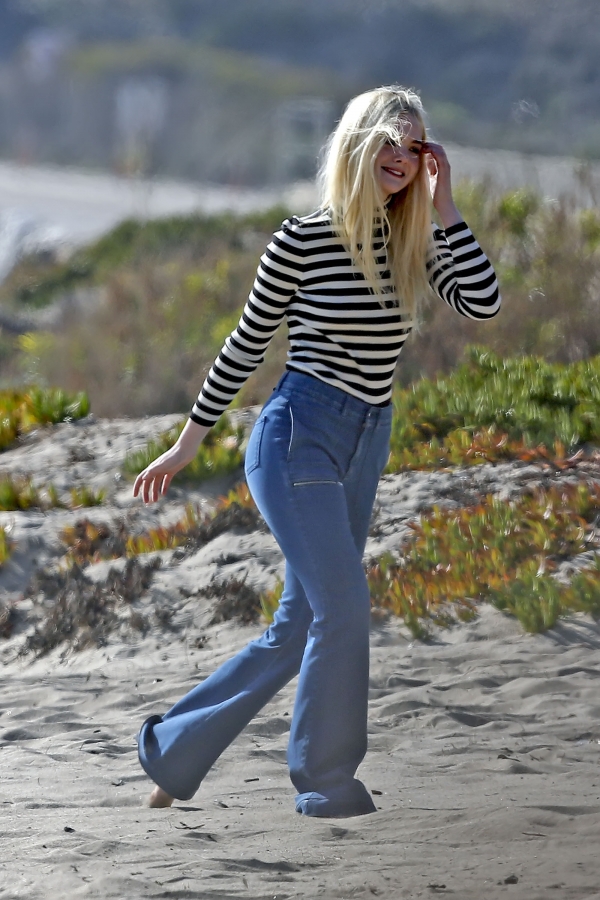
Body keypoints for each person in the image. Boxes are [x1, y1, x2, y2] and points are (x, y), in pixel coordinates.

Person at [134, 85, 501, 818]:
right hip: (298, 435)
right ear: (358, 145)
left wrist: (447, 205)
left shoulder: (412, 245)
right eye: (389, 141)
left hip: (368, 439)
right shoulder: (301, 239)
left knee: (299, 625)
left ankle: (173, 752)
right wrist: (185, 446)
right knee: (344, 605)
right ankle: (326, 781)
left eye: (414, 146)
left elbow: (483, 302)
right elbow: (244, 348)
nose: (401, 157)